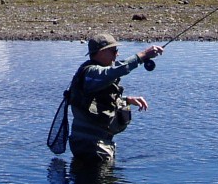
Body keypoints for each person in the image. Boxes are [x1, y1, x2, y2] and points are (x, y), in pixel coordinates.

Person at [67, 33, 165, 164]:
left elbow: (98, 101)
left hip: (92, 145)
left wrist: (126, 100)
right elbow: (114, 71)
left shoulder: (95, 77)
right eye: (114, 51)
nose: (117, 54)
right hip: (92, 146)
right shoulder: (92, 73)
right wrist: (143, 55)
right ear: (101, 52)